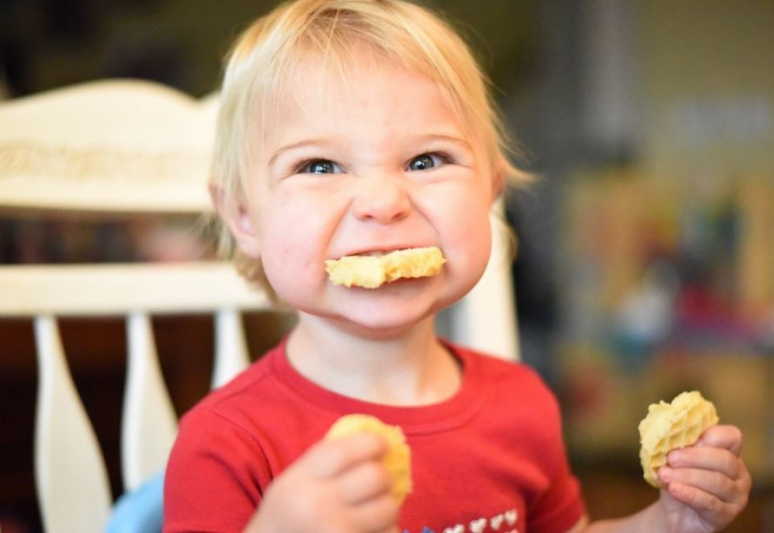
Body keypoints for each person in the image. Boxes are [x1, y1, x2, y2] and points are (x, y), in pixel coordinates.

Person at [163, 1, 751, 531]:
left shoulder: (522, 404)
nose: (383, 202)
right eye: (318, 166)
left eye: (426, 159)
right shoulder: (226, 445)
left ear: (489, 195)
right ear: (244, 217)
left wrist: (669, 523)